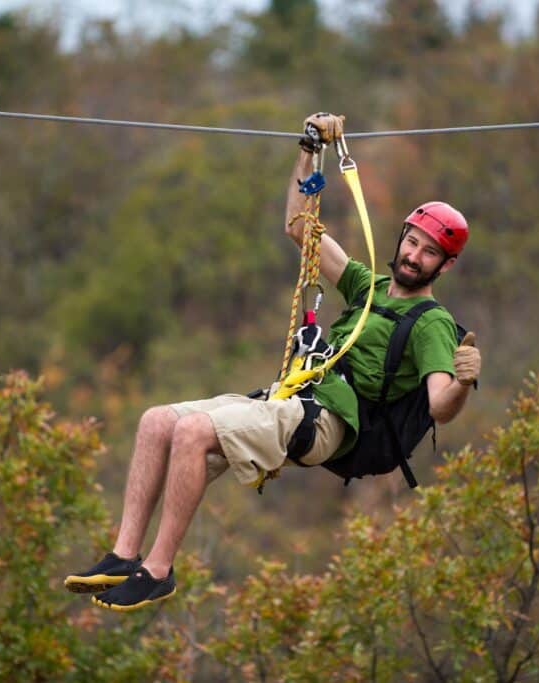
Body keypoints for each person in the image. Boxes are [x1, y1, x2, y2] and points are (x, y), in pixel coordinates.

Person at [63, 113, 482, 611]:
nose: (414, 256)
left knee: (194, 431)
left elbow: (439, 406)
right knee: (157, 422)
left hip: (332, 420)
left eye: (428, 252)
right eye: (412, 242)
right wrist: (307, 150)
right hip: (294, 397)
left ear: (445, 265)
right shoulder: (366, 287)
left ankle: (157, 570)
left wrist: (461, 381)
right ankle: (122, 555)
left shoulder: (431, 322)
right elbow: (298, 227)